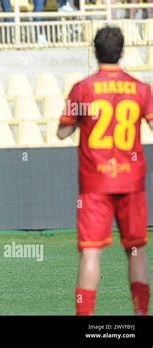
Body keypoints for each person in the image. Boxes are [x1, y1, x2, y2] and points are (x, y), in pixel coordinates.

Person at [57, 26, 153, 315]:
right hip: (131, 178)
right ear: (122, 52)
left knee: (91, 251)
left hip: (95, 181)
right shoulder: (141, 89)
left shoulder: (82, 88)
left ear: (94, 51)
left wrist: (81, 120)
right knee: (136, 250)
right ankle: (140, 316)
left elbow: (63, 132)